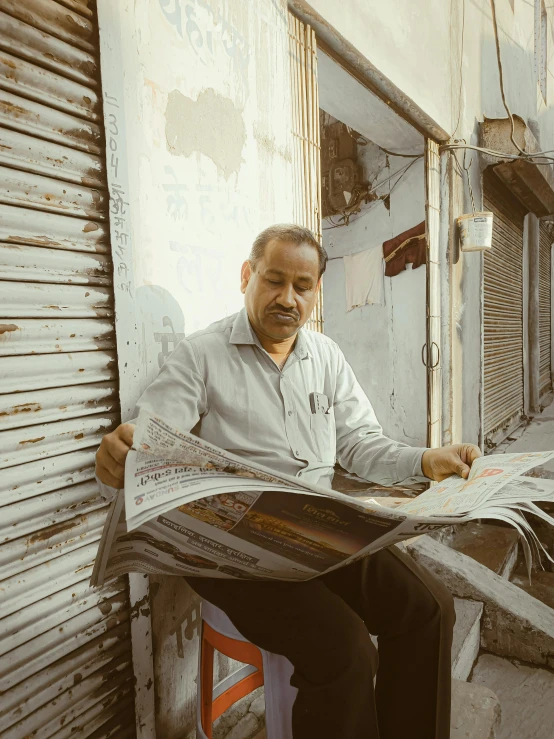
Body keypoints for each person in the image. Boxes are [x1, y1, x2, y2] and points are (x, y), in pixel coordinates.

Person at [96, 224, 481, 739]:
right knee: (344, 651)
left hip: (318, 533)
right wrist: (120, 458)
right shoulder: (200, 356)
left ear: (316, 291)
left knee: (429, 608)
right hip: (234, 552)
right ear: (246, 276)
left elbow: (360, 445)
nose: (287, 298)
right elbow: (146, 445)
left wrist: (426, 459)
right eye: (274, 280)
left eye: (302, 286)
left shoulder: (326, 357)